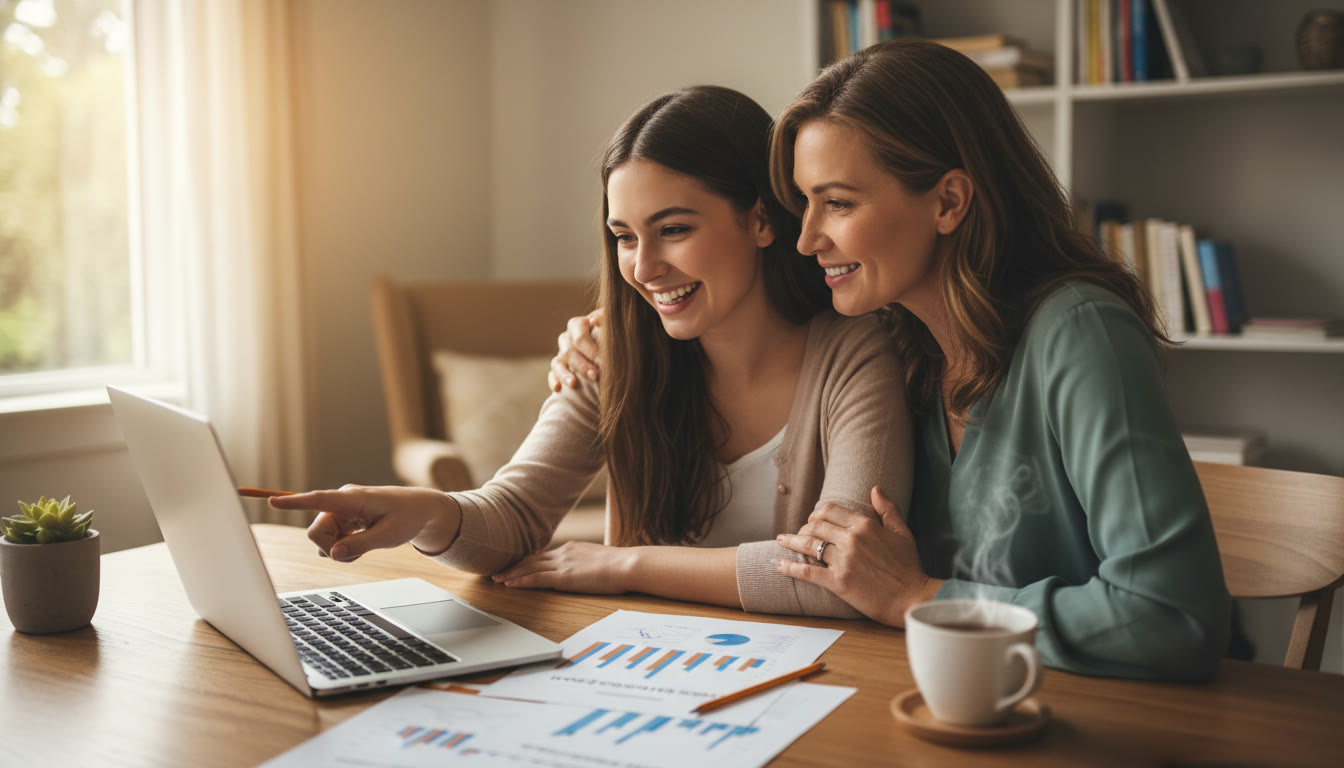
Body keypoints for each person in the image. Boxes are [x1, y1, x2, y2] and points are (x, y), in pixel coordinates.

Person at [549, 41, 1233, 681]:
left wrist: (921, 596)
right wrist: (619, 325)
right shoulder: (897, 344)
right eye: (804, 204)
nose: (808, 238)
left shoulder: (1080, 334)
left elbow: (1172, 617)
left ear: (949, 201)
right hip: (948, 699)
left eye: (838, 204)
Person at [271, 85, 913, 617]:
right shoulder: (612, 354)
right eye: (624, 237)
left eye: (675, 230)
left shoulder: (855, 352)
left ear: (761, 220)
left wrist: (623, 563)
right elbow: (513, 520)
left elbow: (842, 573)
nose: (645, 267)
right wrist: (423, 514)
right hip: (642, 669)